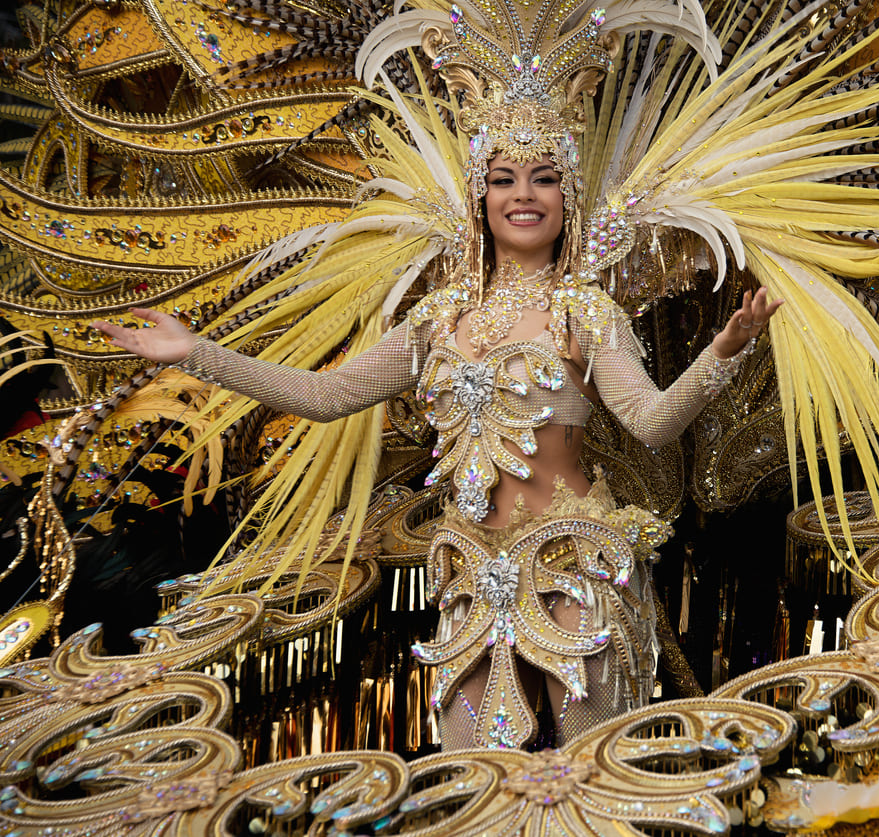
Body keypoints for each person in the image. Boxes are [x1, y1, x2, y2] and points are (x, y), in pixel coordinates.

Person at [92, 150, 781, 749]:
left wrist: (724, 349)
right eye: (504, 178)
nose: (523, 195)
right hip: (471, 579)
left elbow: (653, 421)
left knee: (591, 781)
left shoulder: (586, 312)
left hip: (577, 568)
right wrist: (197, 352)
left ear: (567, 196)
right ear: (480, 196)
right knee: (470, 781)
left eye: (543, 179)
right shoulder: (438, 318)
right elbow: (327, 396)